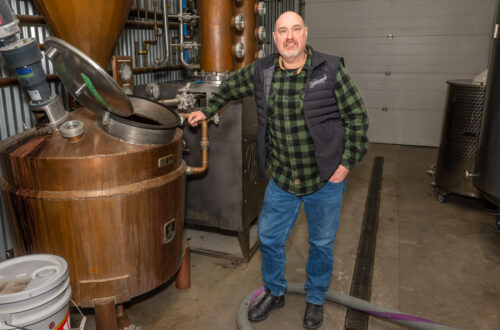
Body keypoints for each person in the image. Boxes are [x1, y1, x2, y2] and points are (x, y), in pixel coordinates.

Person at [188, 11, 369, 330]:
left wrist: (346, 163)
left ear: (305, 33)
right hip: (283, 179)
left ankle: (315, 298)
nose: (289, 36)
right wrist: (207, 108)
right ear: (274, 38)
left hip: (324, 178)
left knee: (322, 244)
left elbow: (357, 118)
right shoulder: (263, 70)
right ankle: (275, 291)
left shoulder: (330, 69)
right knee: (270, 239)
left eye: (295, 29)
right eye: (282, 30)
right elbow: (231, 86)